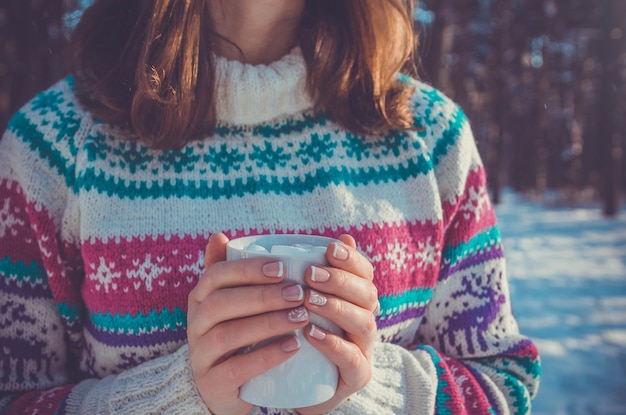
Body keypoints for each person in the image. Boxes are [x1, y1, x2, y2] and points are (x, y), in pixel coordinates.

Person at [0, 0, 541, 414]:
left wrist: (369, 383)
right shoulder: (53, 147)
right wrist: (178, 397)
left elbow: (502, 385)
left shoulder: (429, 138)